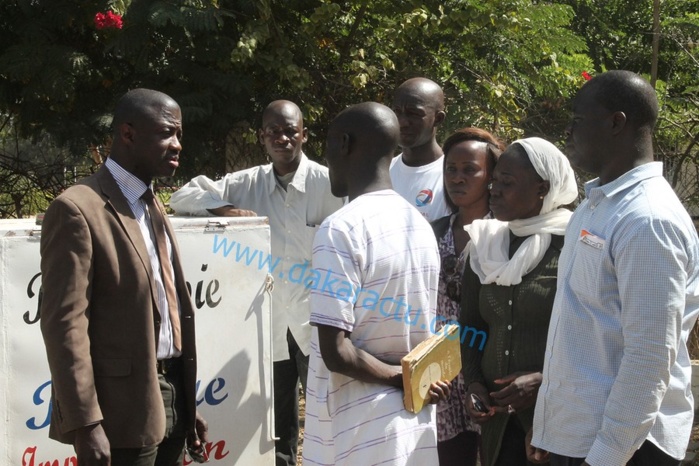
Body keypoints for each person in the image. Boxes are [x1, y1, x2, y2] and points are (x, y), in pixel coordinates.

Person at [528, 71, 699, 466]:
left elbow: (650, 356)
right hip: (581, 438)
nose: (568, 131)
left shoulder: (648, 219)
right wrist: (550, 428)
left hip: (624, 449)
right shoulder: (596, 206)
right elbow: (582, 327)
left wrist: (606, 457)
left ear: (616, 123)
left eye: (578, 120)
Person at [169, 99, 343, 466]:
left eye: (290, 131)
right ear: (262, 137)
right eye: (273, 132)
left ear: (304, 135)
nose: (282, 138)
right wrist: (226, 210)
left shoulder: (329, 184)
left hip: (318, 321)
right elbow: (181, 197)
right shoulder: (245, 184)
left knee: (328, 411)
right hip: (268, 323)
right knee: (277, 418)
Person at [39, 88, 208, 466]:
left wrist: (184, 402)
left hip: (170, 397)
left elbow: (165, 308)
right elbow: (65, 325)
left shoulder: (152, 205)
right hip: (118, 415)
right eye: (167, 133)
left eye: (179, 134)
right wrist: (85, 424)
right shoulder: (76, 209)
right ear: (128, 134)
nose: (177, 144)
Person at [302, 102, 450, 466]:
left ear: (344, 143)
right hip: (409, 427)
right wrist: (411, 381)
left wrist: (400, 378)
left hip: (355, 430)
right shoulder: (419, 225)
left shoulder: (340, 229)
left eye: (327, 146)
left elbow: (336, 353)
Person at [460, 137, 578, 466]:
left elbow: (593, 336)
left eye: (506, 183)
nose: (493, 190)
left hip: (557, 416)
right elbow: (471, 326)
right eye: (494, 181)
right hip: (497, 421)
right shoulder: (484, 245)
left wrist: (546, 380)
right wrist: (473, 383)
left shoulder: (576, 246)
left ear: (542, 188)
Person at [430, 127, 504, 465]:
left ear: (491, 176)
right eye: (451, 169)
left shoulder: (507, 236)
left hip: (488, 369)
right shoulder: (434, 232)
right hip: (441, 374)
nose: (457, 178)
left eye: (469, 169)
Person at [390, 77, 452, 221]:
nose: (402, 122)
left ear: (438, 119)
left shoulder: (452, 177)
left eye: (414, 114)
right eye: (397, 112)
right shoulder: (382, 173)